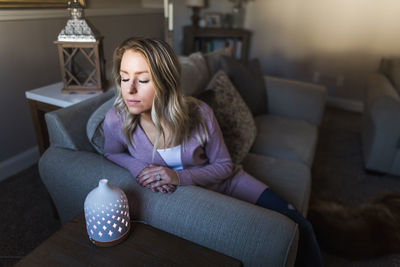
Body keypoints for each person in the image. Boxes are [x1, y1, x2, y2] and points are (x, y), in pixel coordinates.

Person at [103, 36, 323, 267]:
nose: (130, 89)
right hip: (203, 198)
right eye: (124, 77)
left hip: (227, 182)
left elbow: (225, 166)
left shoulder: (201, 113)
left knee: (299, 225)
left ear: (165, 82)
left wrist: (178, 177)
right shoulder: (117, 119)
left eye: (143, 79)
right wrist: (142, 169)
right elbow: (111, 153)